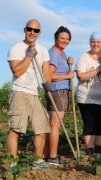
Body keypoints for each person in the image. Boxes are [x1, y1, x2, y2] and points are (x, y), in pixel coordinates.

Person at [6, 19, 51, 169]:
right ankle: (12, 162)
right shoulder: (16, 48)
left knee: (42, 128)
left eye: (36, 30)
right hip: (19, 92)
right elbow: (17, 71)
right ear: (24, 30)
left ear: (39, 33)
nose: (32, 32)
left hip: (35, 94)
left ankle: (38, 160)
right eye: (30, 29)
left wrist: (48, 82)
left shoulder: (43, 50)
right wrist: (29, 56)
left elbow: (45, 71)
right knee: (16, 128)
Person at [75, 32, 101, 155]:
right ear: (90, 43)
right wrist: (98, 69)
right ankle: (89, 150)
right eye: (93, 41)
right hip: (86, 98)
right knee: (89, 123)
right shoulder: (84, 57)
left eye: (98, 42)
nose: (95, 44)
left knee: (100, 123)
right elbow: (81, 76)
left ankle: (98, 148)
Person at [44, 26, 74, 165]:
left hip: (60, 91)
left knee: (54, 124)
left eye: (67, 39)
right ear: (56, 38)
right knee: (55, 124)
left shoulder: (60, 52)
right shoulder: (54, 53)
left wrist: (69, 64)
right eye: (62, 38)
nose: (65, 40)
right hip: (57, 91)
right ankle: (52, 156)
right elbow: (48, 75)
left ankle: (49, 154)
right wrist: (67, 75)